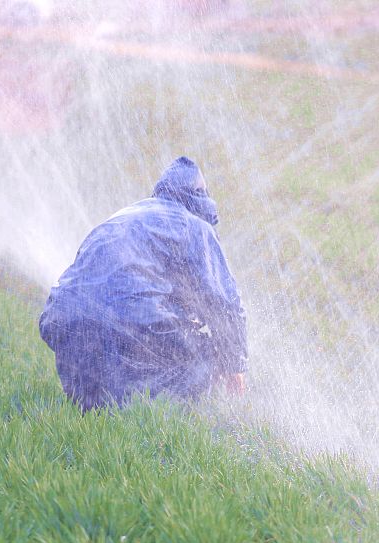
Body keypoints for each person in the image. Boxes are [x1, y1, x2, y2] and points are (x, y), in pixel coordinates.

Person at [39, 156, 247, 411]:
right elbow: (225, 305)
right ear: (199, 200)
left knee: (97, 406)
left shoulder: (123, 216)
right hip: (130, 322)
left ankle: (98, 410)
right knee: (209, 356)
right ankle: (190, 419)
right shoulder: (194, 227)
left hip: (66, 323)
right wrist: (234, 366)